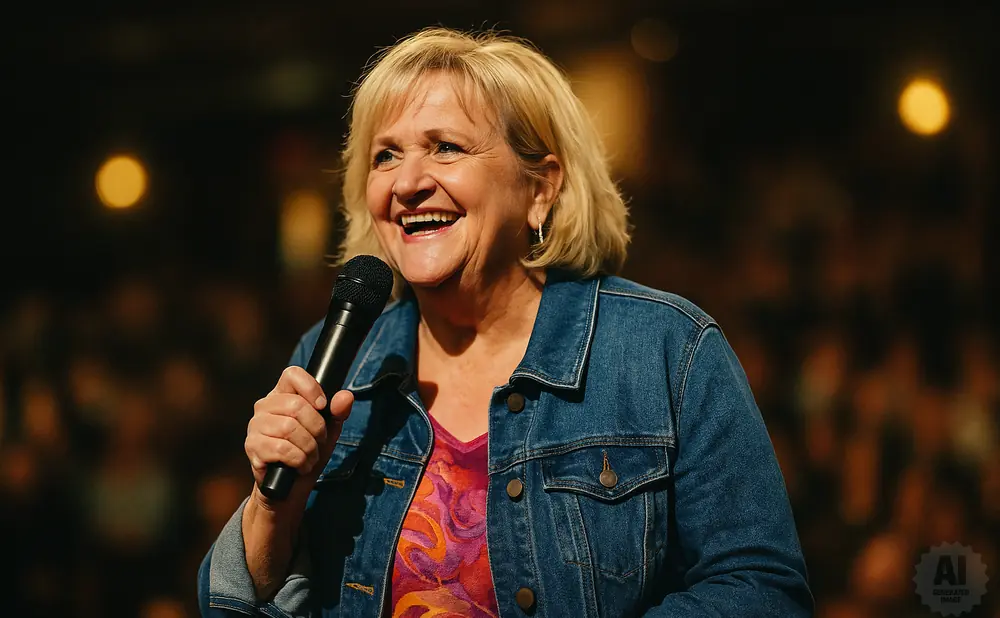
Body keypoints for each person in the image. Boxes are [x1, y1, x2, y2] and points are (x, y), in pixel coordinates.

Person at [198, 27, 813, 618]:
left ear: (540, 188)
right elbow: (235, 606)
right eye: (386, 155)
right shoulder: (336, 360)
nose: (408, 183)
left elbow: (761, 588)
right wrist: (274, 506)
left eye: (446, 147)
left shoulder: (665, 351)